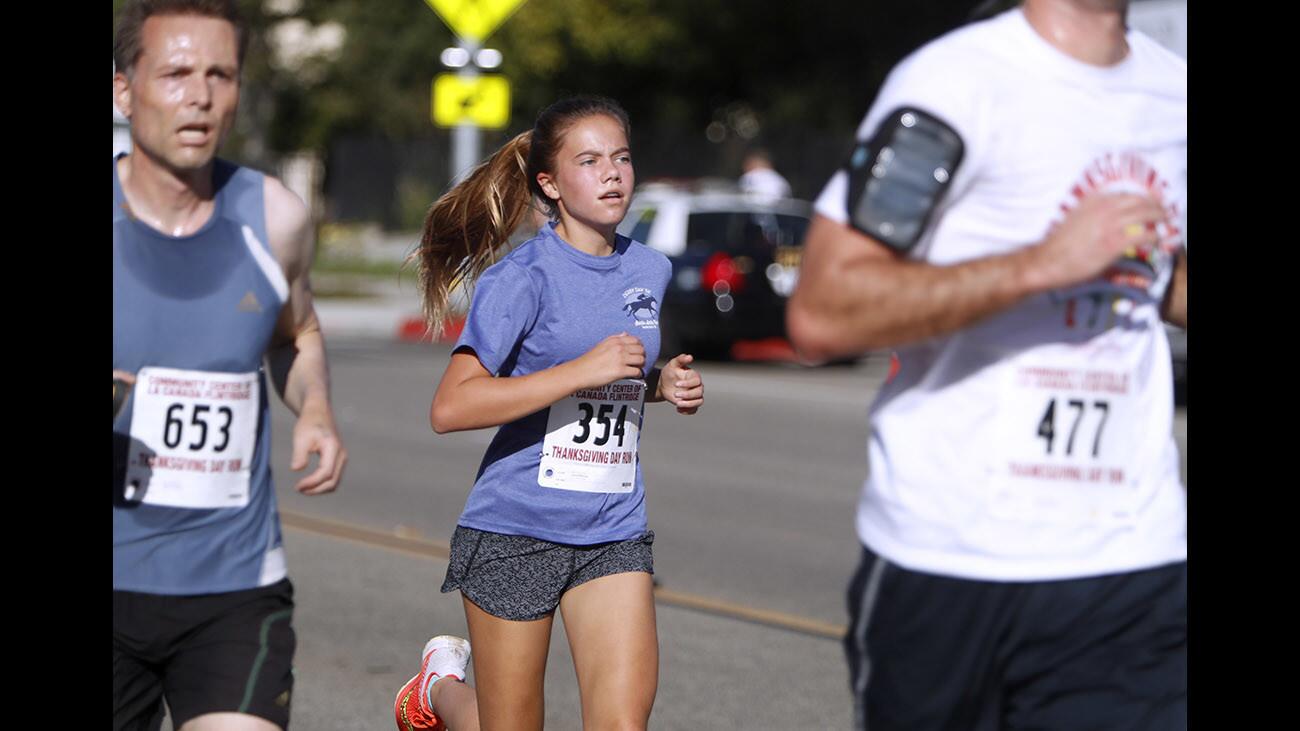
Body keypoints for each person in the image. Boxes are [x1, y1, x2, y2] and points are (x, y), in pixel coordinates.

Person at [786, 0, 1186, 728]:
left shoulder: (1174, 97)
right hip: (951, 556)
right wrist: (1043, 264)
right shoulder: (954, 82)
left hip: (1130, 555)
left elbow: (1167, 272)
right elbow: (822, 312)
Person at [391, 96, 705, 731]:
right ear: (551, 184)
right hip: (515, 530)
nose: (612, 173)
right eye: (589, 161)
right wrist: (581, 369)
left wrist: (659, 383)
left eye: (621, 157)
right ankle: (438, 691)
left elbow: (613, 380)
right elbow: (451, 406)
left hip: (612, 527)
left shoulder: (650, 268)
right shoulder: (522, 277)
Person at [112, 2, 348, 729]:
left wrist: (313, 406)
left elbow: (297, 330)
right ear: (124, 90)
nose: (200, 95)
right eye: (177, 72)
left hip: (235, 585)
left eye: (221, 74)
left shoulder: (275, 217)